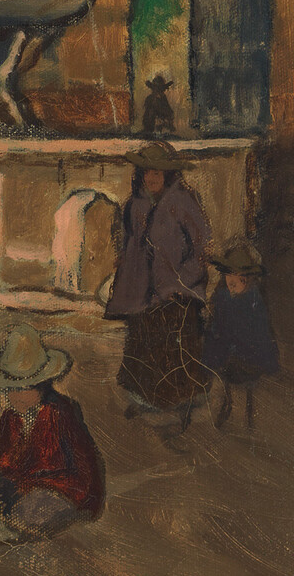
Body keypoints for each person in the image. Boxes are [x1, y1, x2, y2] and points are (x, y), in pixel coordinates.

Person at [0, 323, 104, 534]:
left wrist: (24, 489)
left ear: (42, 385)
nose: (16, 396)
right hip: (18, 487)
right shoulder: (10, 416)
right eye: (10, 389)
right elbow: (2, 461)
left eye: (24, 389)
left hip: (58, 490)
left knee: (28, 514)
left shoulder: (61, 412)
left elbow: (82, 474)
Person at [104, 141, 212, 421]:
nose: (151, 179)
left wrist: (182, 282)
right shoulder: (134, 205)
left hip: (177, 291)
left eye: (157, 174)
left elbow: (201, 246)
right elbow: (126, 240)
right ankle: (145, 398)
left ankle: (176, 400)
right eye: (146, 173)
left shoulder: (184, 202)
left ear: (168, 176)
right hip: (141, 290)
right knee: (143, 342)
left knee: (173, 346)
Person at [204, 239, 279, 432]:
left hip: (249, 357)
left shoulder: (255, 301)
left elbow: (261, 333)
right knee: (214, 348)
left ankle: (242, 409)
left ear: (246, 279)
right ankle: (227, 401)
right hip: (227, 355)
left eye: (237, 281)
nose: (232, 284)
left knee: (231, 357)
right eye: (229, 279)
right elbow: (217, 327)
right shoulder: (222, 297)